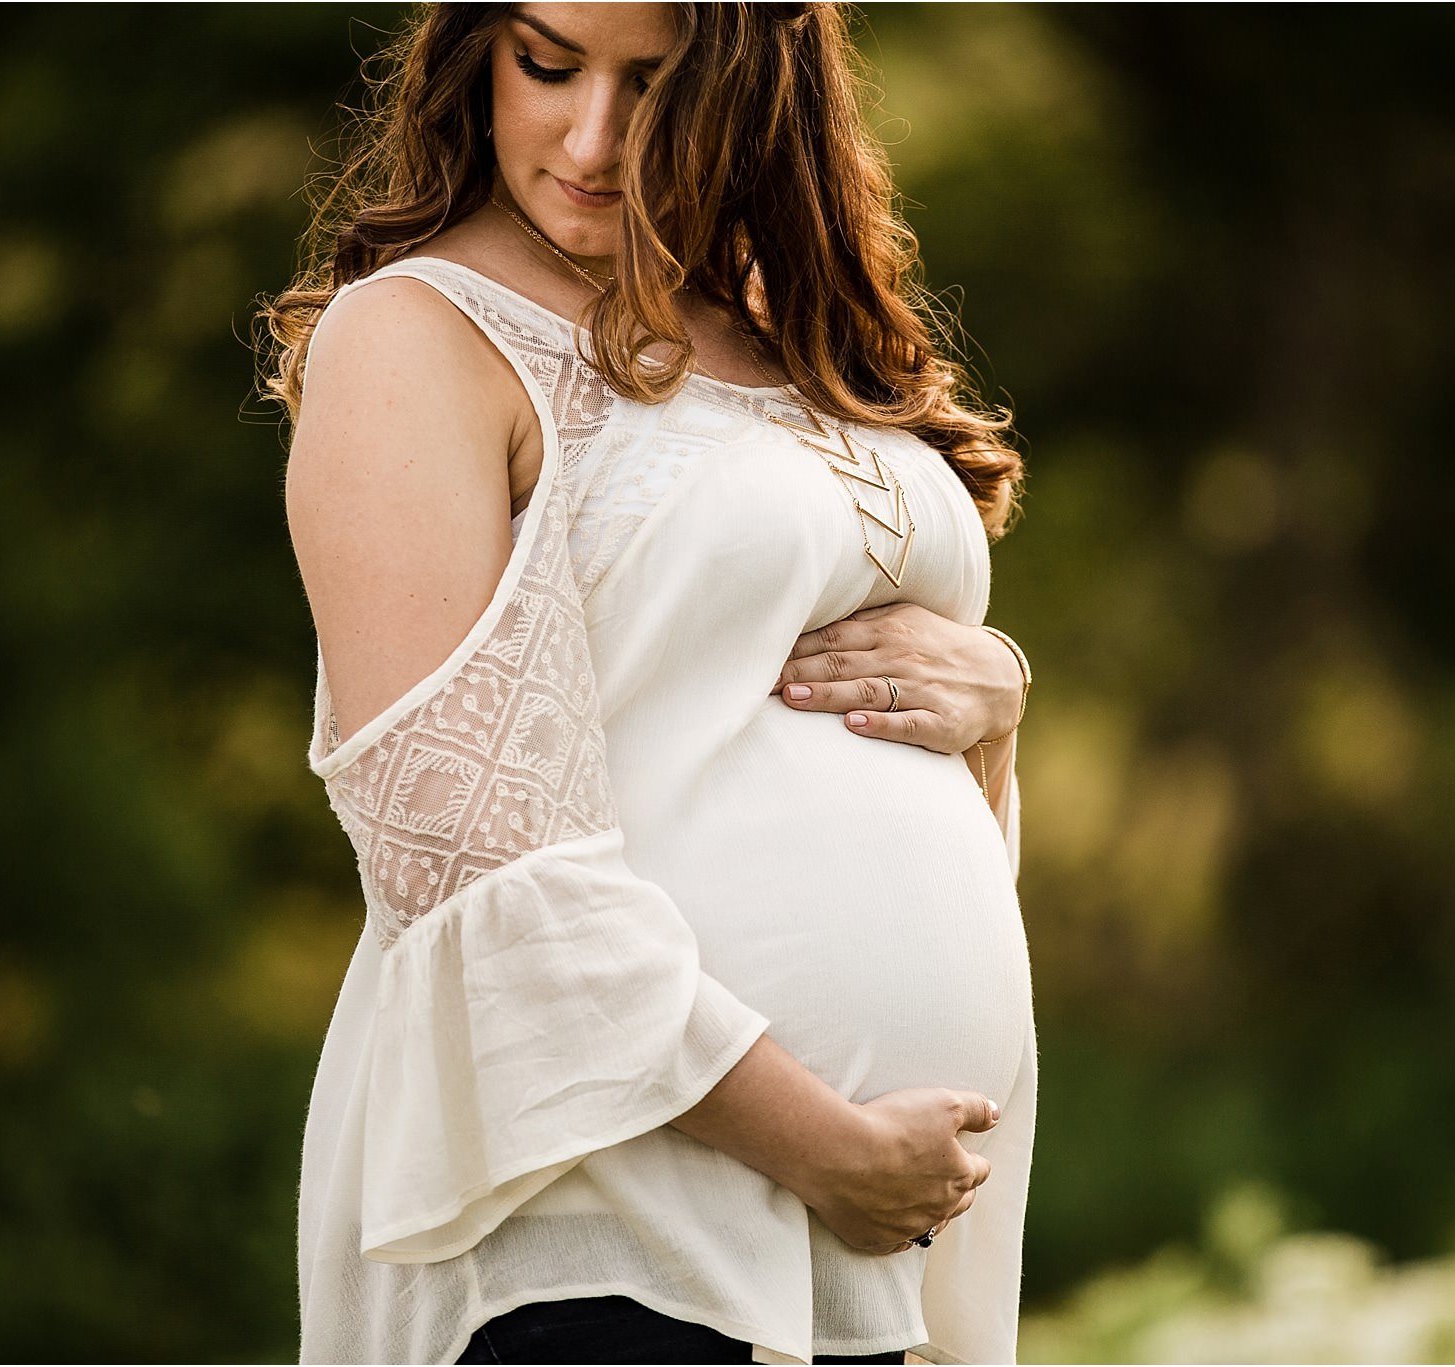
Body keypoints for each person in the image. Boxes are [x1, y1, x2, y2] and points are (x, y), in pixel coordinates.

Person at [261, 4, 1035, 1363]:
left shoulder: (789, 326)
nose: (593, 137)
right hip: (602, 1239)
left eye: (657, 86)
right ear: (476, 58)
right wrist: (829, 1149)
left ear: (753, 92)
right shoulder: (422, 338)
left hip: (857, 1255)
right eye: (547, 66)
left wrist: (996, 685)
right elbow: (476, 866)